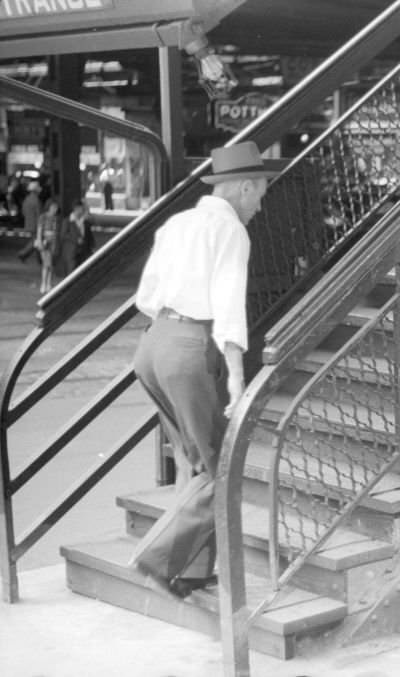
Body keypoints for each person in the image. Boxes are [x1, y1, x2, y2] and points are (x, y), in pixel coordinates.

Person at [129, 141, 275, 598]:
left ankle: (191, 570)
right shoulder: (230, 230)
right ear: (244, 187)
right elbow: (228, 309)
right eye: (259, 194)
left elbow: (146, 295)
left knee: (195, 464)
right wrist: (236, 379)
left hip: (153, 344)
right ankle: (154, 561)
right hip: (190, 348)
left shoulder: (177, 223)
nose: (259, 206)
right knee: (221, 470)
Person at [35, 199, 60, 294]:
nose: (55, 209)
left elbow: (56, 231)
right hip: (45, 242)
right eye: (53, 207)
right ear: (49, 207)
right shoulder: (43, 217)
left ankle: (49, 283)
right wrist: (40, 241)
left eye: (56, 207)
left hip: (53, 242)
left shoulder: (56, 218)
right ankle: (44, 283)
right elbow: (39, 230)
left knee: (51, 264)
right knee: (47, 264)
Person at [16, 181, 42, 263]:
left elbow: (23, 212)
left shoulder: (26, 199)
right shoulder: (36, 200)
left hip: (28, 223)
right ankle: (23, 254)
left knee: (36, 241)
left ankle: (38, 258)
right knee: (36, 241)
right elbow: (39, 214)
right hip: (36, 224)